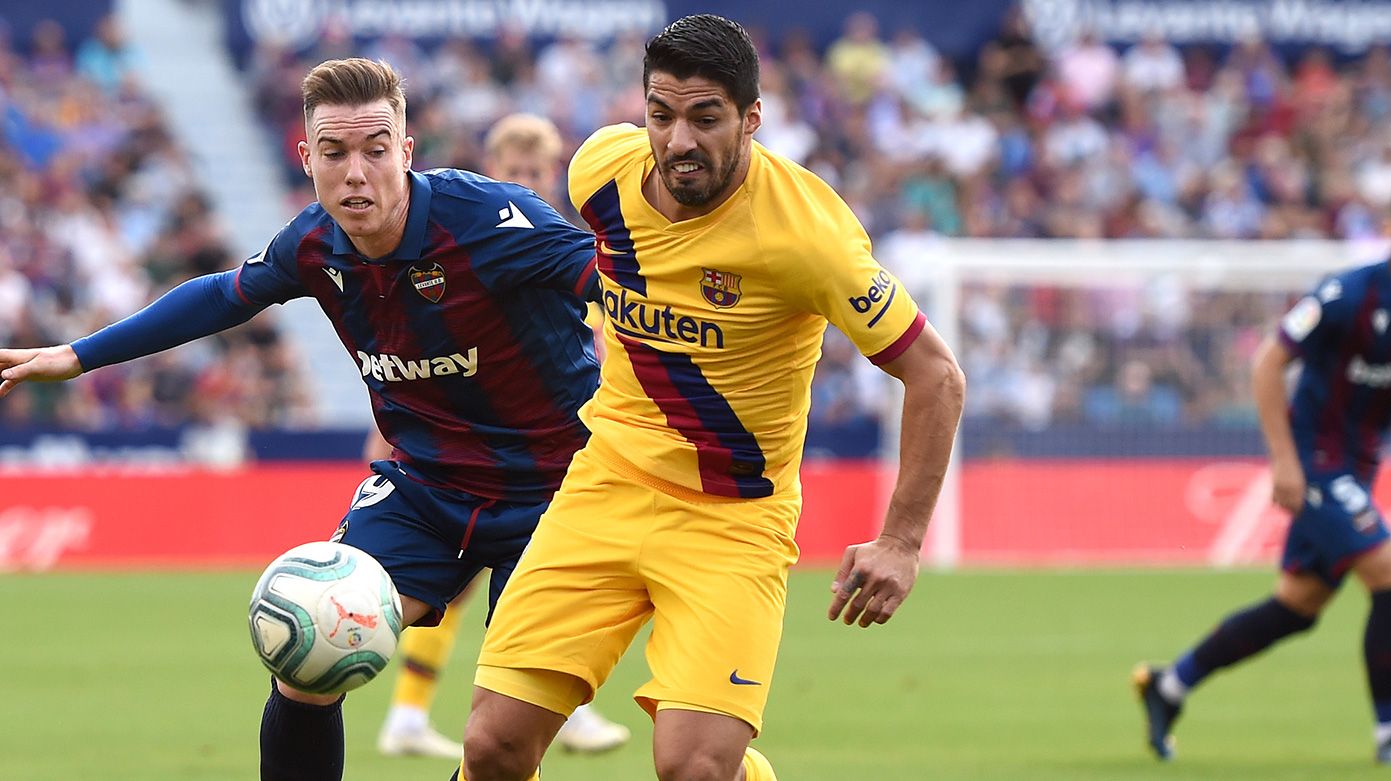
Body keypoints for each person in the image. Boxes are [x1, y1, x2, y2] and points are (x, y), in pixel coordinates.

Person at [0, 58, 604, 781]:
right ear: (306, 157)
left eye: (376, 150)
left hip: (558, 499)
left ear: (406, 152)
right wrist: (78, 353)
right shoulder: (313, 244)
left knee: (497, 749)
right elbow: (224, 294)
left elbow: (622, 282)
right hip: (426, 491)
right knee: (307, 652)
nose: (357, 173)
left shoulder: (496, 223)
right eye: (336, 152)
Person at [458, 15, 965, 781]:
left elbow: (936, 374)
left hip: (732, 518)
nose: (679, 141)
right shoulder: (599, 173)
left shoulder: (808, 235)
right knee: (491, 746)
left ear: (751, 118)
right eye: (662, 115)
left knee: (695, 768)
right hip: (605, 484)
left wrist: (900, 540)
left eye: (705, 118)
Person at [372, 112, 630, 759]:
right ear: (493, 174)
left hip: (561, 445)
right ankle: (429, 713)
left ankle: (418, 715)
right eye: (512, 173)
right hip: (486, 457)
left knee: (527, 587)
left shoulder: (567, 253)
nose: (525, 182)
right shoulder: (471, 255)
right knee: (483, 589)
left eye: (535, 173)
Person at [1135, 198, 1391, 763]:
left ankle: (1170, 685)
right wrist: (1284, 461)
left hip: (1359, 467)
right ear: (1390, 228)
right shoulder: (1347, 294)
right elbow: (1268, 363)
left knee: (1298, 606)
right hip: (1315, 461)